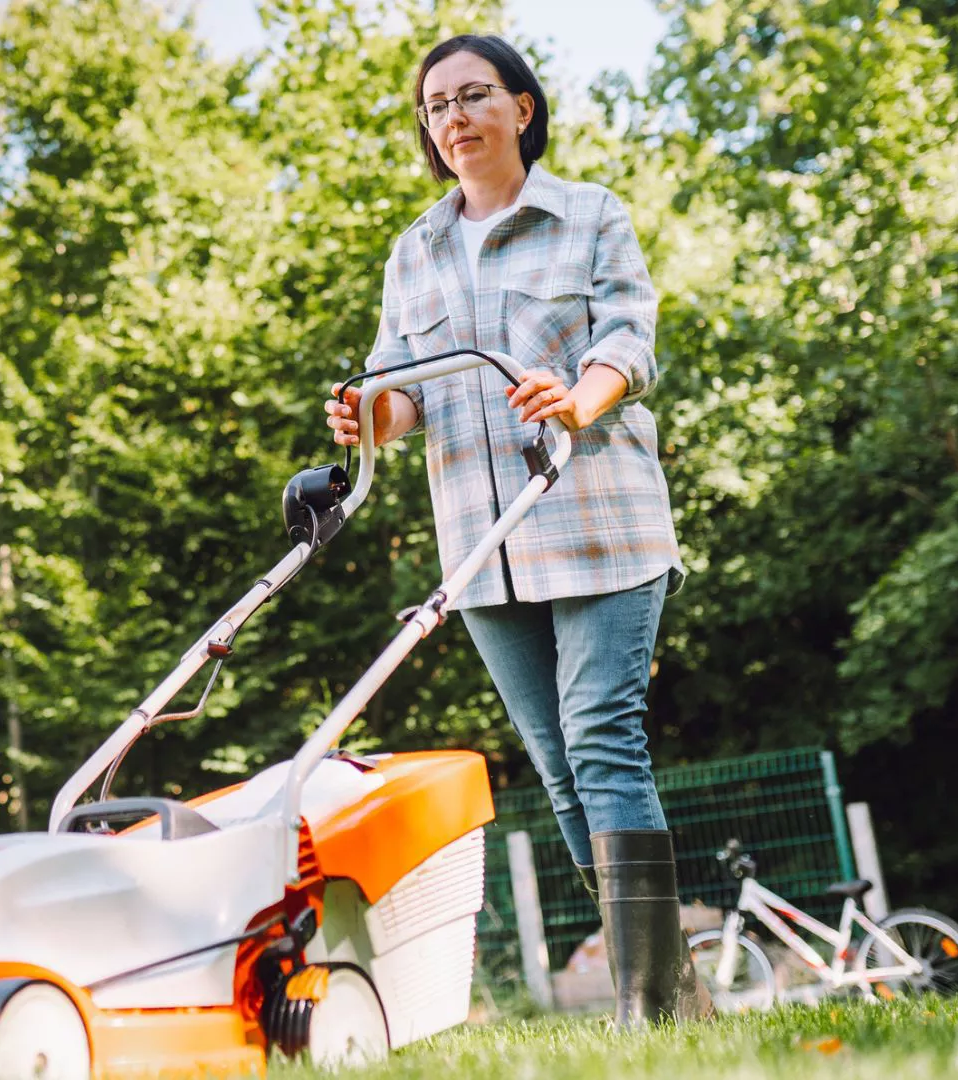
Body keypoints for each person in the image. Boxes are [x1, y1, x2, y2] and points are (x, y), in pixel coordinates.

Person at [324, 33, 706, 1024]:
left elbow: (630, 337)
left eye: (473, 96)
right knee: (559, 767)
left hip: (597, 519)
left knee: (603, 742)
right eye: (436, 106)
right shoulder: (415, 250)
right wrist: (367, 413)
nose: (453, 118)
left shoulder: (588, 215)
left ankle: (646, 1007)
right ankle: (669, 994)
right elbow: (399, 387)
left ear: (521, 108)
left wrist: (581, 397)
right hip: (483, 548)